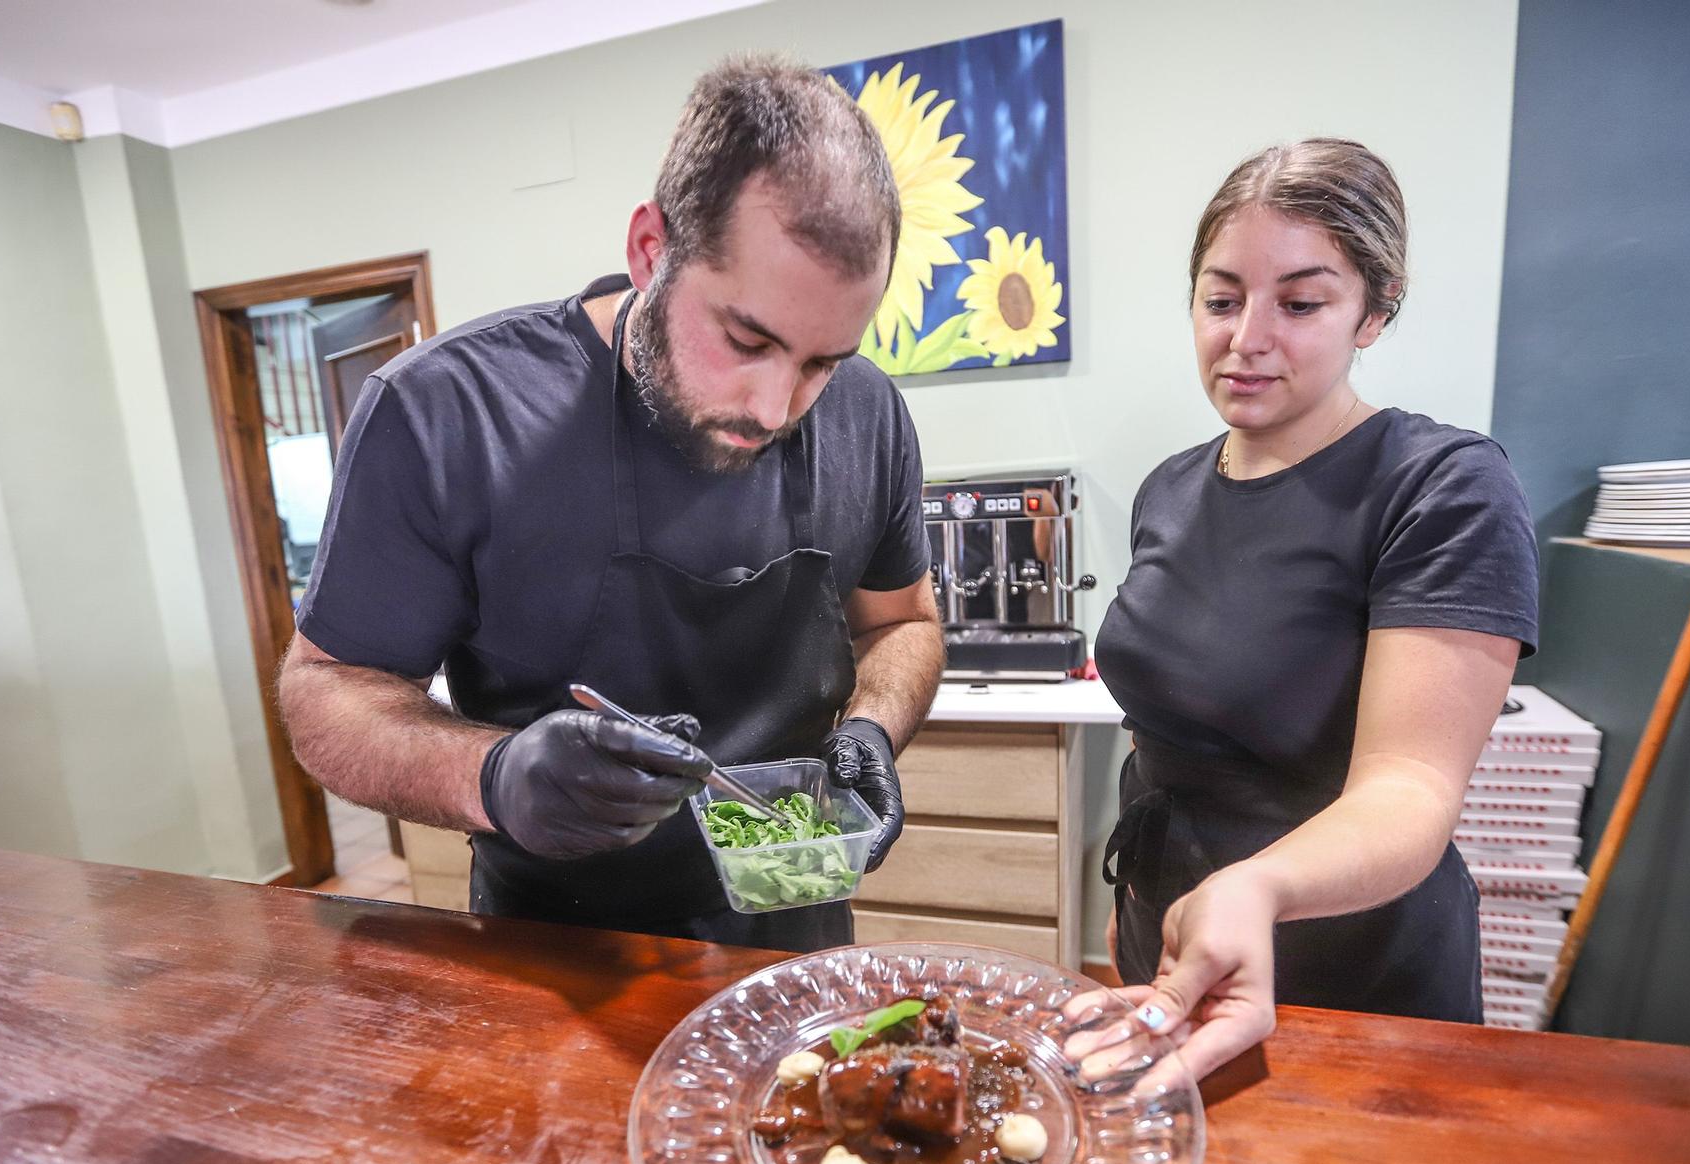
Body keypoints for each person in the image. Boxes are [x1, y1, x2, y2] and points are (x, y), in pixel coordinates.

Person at [278, 55, 944, 951]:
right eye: (748, 338)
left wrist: (871, 724)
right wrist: (496, 772)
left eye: (823, 361)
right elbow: (325, 694)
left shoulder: (868, 413)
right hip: (551, 954)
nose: (776, 407)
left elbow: (905, 622)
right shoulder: (446, 412)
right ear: (649, 249)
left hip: (796, 932)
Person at [1092, 139, 1539, 1078]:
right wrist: (1136, 898)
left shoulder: (1441, 487)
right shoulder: (1169, 489)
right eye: (1221, 299)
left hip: (1351, 970)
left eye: (1300, 303)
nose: (1247, 337)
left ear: (1374, 311)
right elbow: (1162, 726)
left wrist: (1252, 886)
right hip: (1173, 944)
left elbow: (1410, 788)